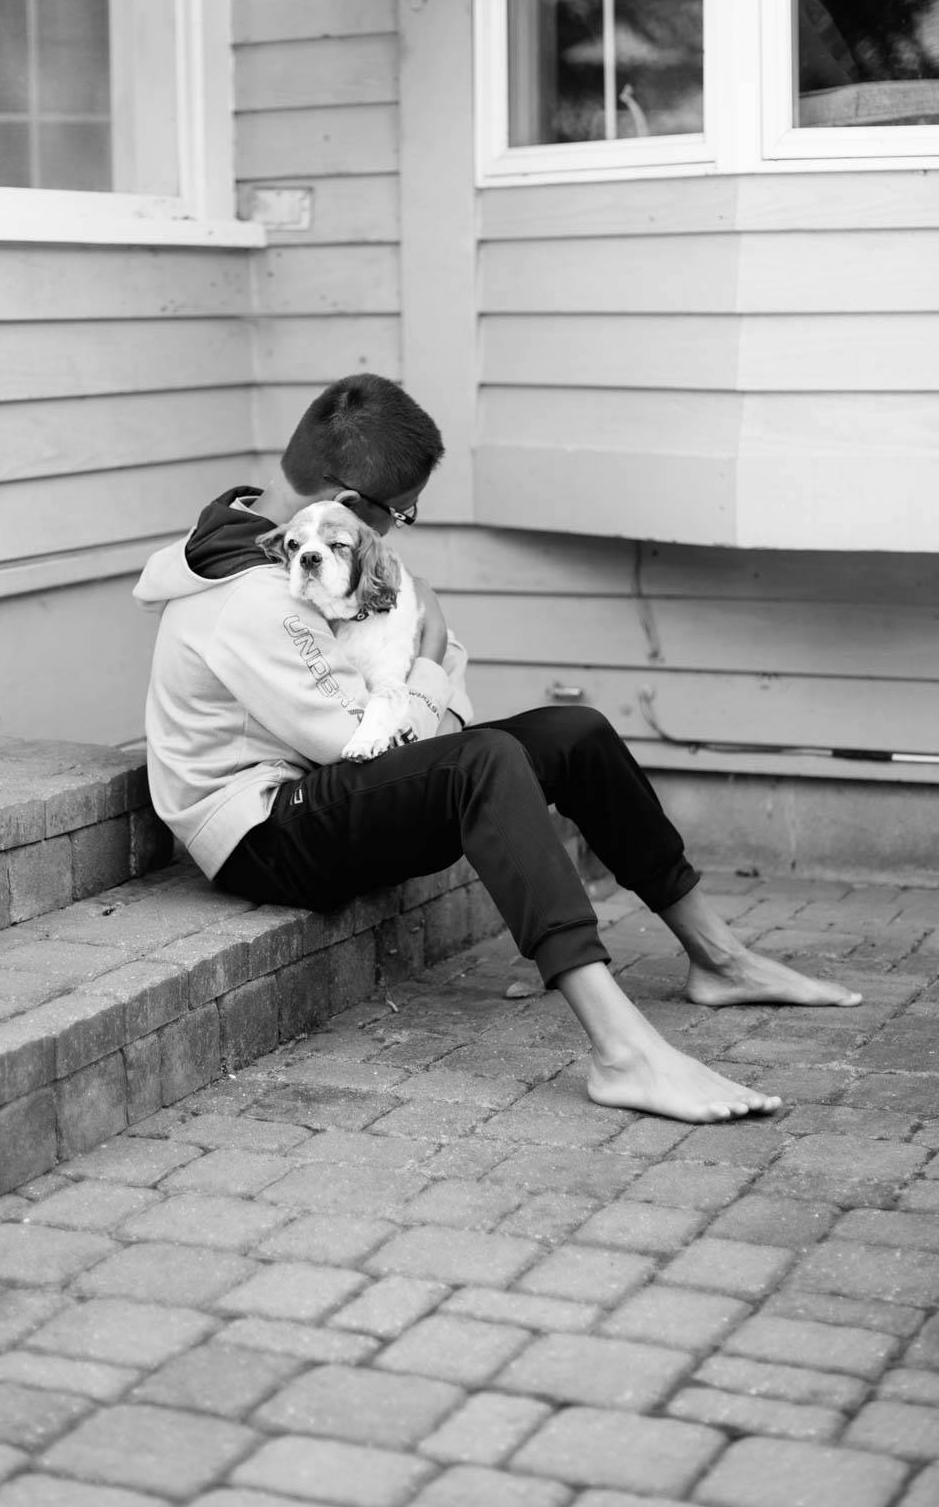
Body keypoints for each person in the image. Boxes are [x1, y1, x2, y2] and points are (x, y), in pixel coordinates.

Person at [135, 374, 860, 1124]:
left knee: (572, 733)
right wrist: (432, 652)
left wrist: (429, 681)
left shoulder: (297, 549)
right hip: (261, 831)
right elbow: (377, 743)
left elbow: (418, 716)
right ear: (352, 506)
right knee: (483, 765)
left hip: (319, 779)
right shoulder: (259, 600)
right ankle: (623, 1054)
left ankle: (720, 958)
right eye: (404, 513)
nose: (404, 528)